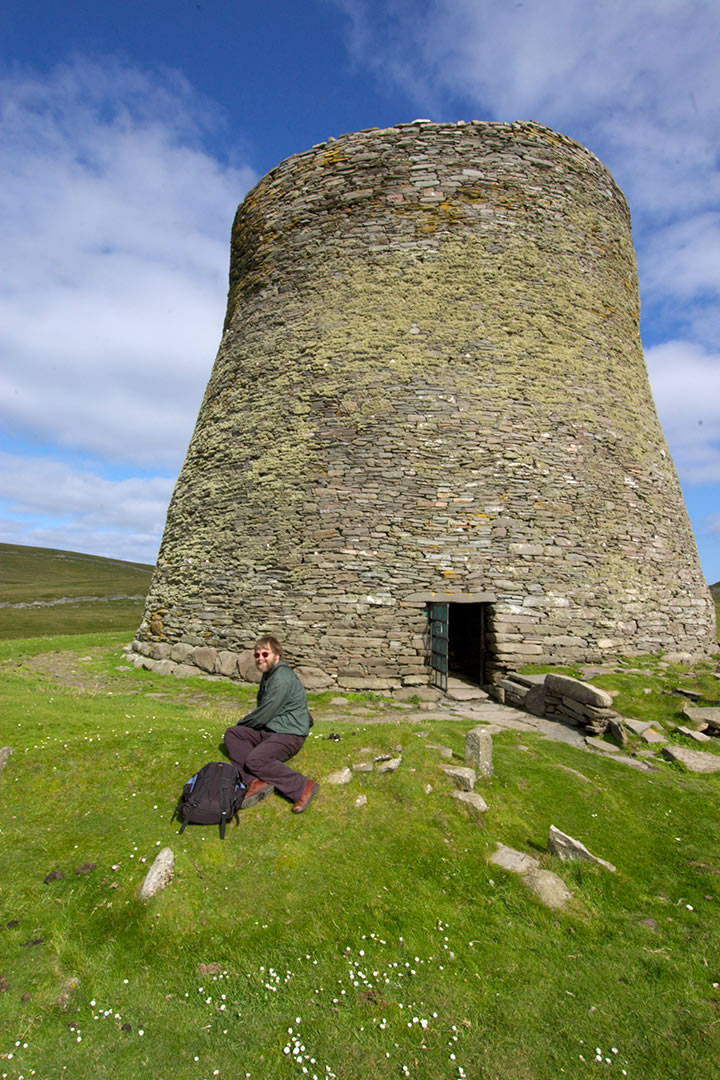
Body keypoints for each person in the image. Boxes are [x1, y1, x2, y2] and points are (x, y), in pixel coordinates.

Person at [224, 635, 318, 814]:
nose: (260, 658)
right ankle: (255, 781)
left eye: (265, 654)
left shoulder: (281, 677)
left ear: (277, 656)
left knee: (256, 759)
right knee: (234, 734)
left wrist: (243, 722)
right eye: (257, 655)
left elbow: (264, 714)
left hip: (289, 735)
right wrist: (241, 728)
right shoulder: (270, 675)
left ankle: (303, 786)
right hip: (272, 730)